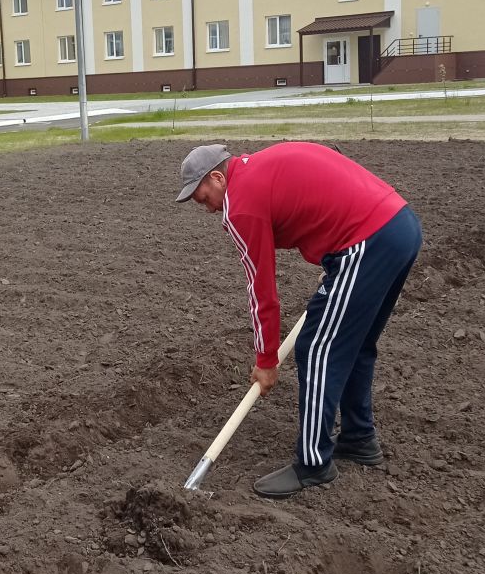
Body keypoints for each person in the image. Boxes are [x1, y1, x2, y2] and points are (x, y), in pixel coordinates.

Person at [176, 141, 422, 500]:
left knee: (317, 348)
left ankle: (313, 464)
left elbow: (262, 288)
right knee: (356, 344)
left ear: (217, 176)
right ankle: (358, 438)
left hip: (366, 242)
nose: (208, 209)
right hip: (400, 227)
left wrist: (266, 360)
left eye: (203, 198)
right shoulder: (261, 165)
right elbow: (330, 162)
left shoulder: (240, 205)